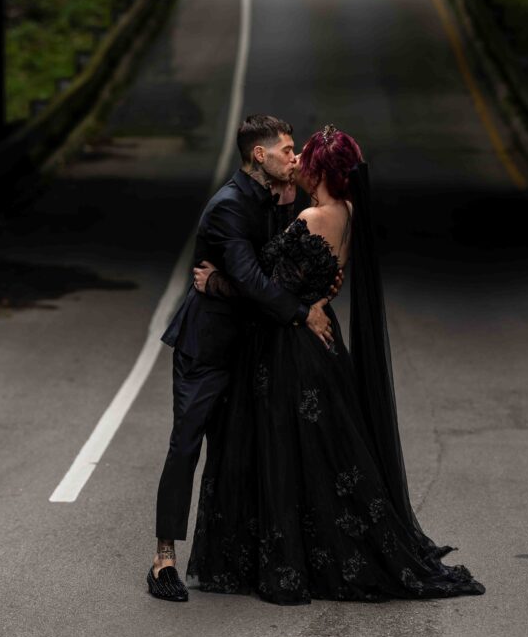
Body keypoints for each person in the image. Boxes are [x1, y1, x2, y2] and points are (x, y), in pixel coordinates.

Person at [187, 125, 485, 604]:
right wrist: (316, 297)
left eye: (306, 154)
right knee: (323, 457)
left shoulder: (313, 216)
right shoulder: (346, 211)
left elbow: (269, 289)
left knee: (286, 454)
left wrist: (218, 283)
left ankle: (291, 564)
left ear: (322, 170)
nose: (298, 158)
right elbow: (323, 279)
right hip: (320, 344)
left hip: (288, 350)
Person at [148, 114, 334, 602]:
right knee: (187, 443)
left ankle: (240, 559)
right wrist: (301, 314)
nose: (294, 157)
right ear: (259, 154)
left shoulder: (278, 199)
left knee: (245, 451)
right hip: (207, 347)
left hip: (255, 348)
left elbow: (278, 269)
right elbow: (254, 281)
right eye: (287, 149)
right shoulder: (228, 207)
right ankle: (163, 559)